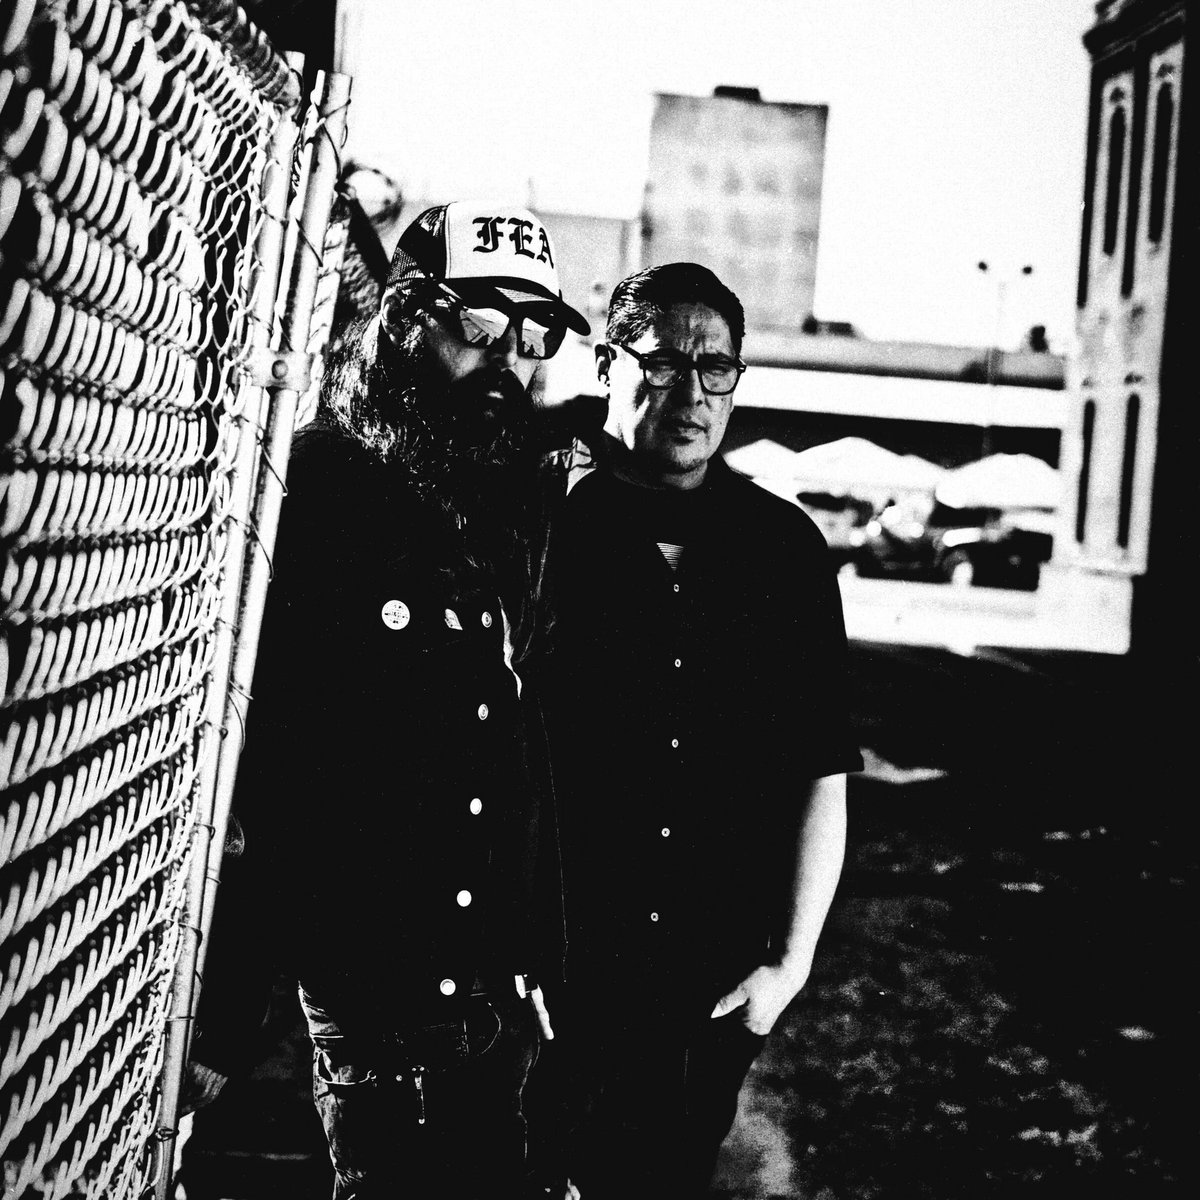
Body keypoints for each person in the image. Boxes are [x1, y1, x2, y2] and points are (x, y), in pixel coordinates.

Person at [207, 201, 589, 1200]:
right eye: (484, 326)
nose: (510, 363)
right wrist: (222, 1014)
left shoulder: (495, 498)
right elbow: (267, 760)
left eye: (535, 338)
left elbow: (512, 742)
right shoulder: (321, 486)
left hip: (495, 1002)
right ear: (411, 318)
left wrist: (540, 958)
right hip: (380, 1011)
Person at [530, 262, 862, 1197]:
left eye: (716, 368)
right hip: (547, 985)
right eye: (664, 362)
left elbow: (820, 770)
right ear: (607, 364)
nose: (692, 393)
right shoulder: (537, 519)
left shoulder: (782, 549)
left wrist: (787, 967)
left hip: (705, 996)